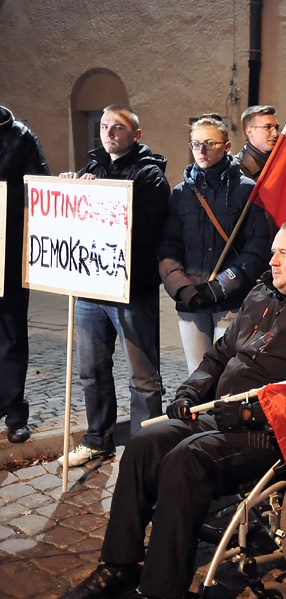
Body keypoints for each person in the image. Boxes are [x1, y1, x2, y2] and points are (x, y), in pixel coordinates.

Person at [60, 218, 286, 599]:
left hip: (270, 431)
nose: (272, 260)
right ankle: (119, 565)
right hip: (220, 414)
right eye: (272, 251)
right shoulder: (262, 293)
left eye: (284, 254)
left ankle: (161, 590)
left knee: (186, 460)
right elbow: (220, 354)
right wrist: (189, 392)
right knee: (144, 443)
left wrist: (250, 414)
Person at [57, 105, 170, 466]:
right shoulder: (91, 168)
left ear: (135, 135)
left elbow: (145, 228)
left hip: (130, 289)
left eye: (117, 127)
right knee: (91, 370)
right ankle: (97, 439)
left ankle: (143, 451)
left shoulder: (150, 175)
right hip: (92, 287)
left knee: (143, 375)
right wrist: (70, 191)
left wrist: (100, 193)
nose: (108, 133)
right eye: (104, 126)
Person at [159, 114, 271, 374]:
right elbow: (168, 246)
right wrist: (181, 287)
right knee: (196, 372)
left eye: (209, 143)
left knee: (226, 372)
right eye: (196, 144)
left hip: (229, 301)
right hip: (190, 300)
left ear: (227, 146)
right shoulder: (181, 193)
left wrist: (221, 286)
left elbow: (257, 248)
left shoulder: (247, 190)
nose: (201, 150)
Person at [0, 105, 49, 444]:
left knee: (12, 332)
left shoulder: (19, 136)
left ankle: (14, 409)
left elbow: (40, 190)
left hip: (9, 251)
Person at [234, 105, 278, 180]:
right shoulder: (236, 169)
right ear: (250, 131)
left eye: (276, 128)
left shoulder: (281, 163)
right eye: (267, 127)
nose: (275, 134)